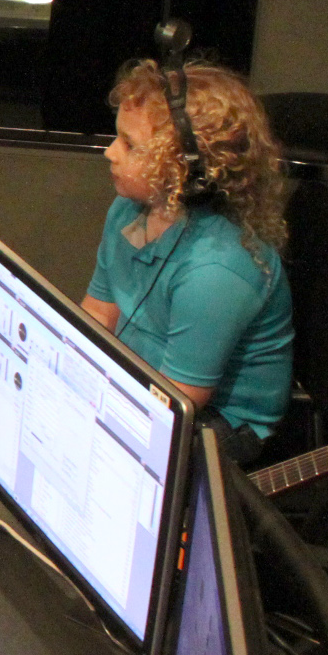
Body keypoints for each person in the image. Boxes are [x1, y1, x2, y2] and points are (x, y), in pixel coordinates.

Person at [81, 60, 294, 462]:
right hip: (147, 382)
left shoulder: (216, 271)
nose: (110, 153)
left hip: (216, 421)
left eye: (130, 145)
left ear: (186, 168)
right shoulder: (128, 210)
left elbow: (176, 404)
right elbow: (99, 311)